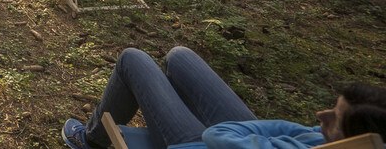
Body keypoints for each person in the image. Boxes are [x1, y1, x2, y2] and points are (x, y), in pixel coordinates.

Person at [62, 46, 386, 149]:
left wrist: (259, 135)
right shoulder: (344, 143)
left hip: (205, 143)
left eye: (334, 121)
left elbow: (217, 134)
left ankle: (91, 141)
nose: (320, 115)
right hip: (242, 137)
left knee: (132, 59)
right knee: (179, 57)